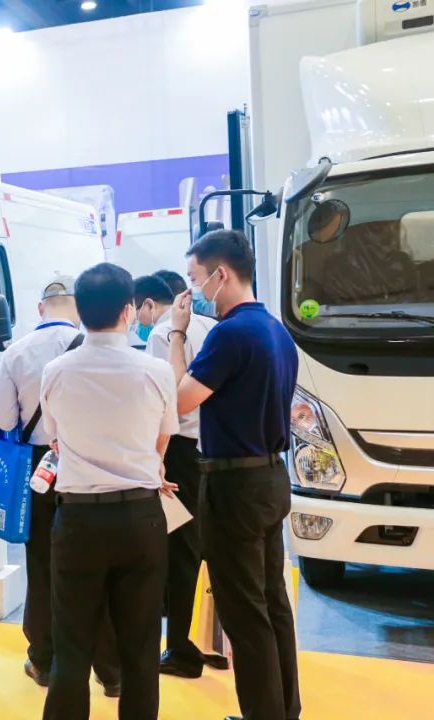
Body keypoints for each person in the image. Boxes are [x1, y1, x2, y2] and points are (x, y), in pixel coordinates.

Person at [166, 229, 301, 720]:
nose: (193, 291)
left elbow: (180, 399)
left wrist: (177, 334)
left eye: (195, 278)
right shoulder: (276, 331)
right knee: (272, 603)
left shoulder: (229, 334)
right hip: (271, 477)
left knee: (244, 612)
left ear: (220, 274)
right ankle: (284, 710)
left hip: (234, 485)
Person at [39, 263, 178, 720]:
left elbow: (56, 439)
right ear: (128, 310)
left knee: (71, 645)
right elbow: (162, 441)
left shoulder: (55, 371)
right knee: (140, 646)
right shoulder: (156, 370)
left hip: (78, 519)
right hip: (140, 516)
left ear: (79, 311)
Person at [0, 276, 121, 696]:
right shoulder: (101, 349)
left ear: (40, 308)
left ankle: (45, 659)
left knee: (43, 562)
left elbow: (5, 420)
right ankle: (110, 669)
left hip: (41, 468)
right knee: (99, 563)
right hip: (94, 465)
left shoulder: (17, 352)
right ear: (79, 308)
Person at [135, 274, 217, 678]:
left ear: (148, 304)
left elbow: (164, 402)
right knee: (205, 548)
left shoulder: (163, 334)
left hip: (178, 449)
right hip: (211, 446)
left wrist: (155, 457)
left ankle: (182, 650)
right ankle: (211, 643)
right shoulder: (212, 327)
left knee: (180, 552)